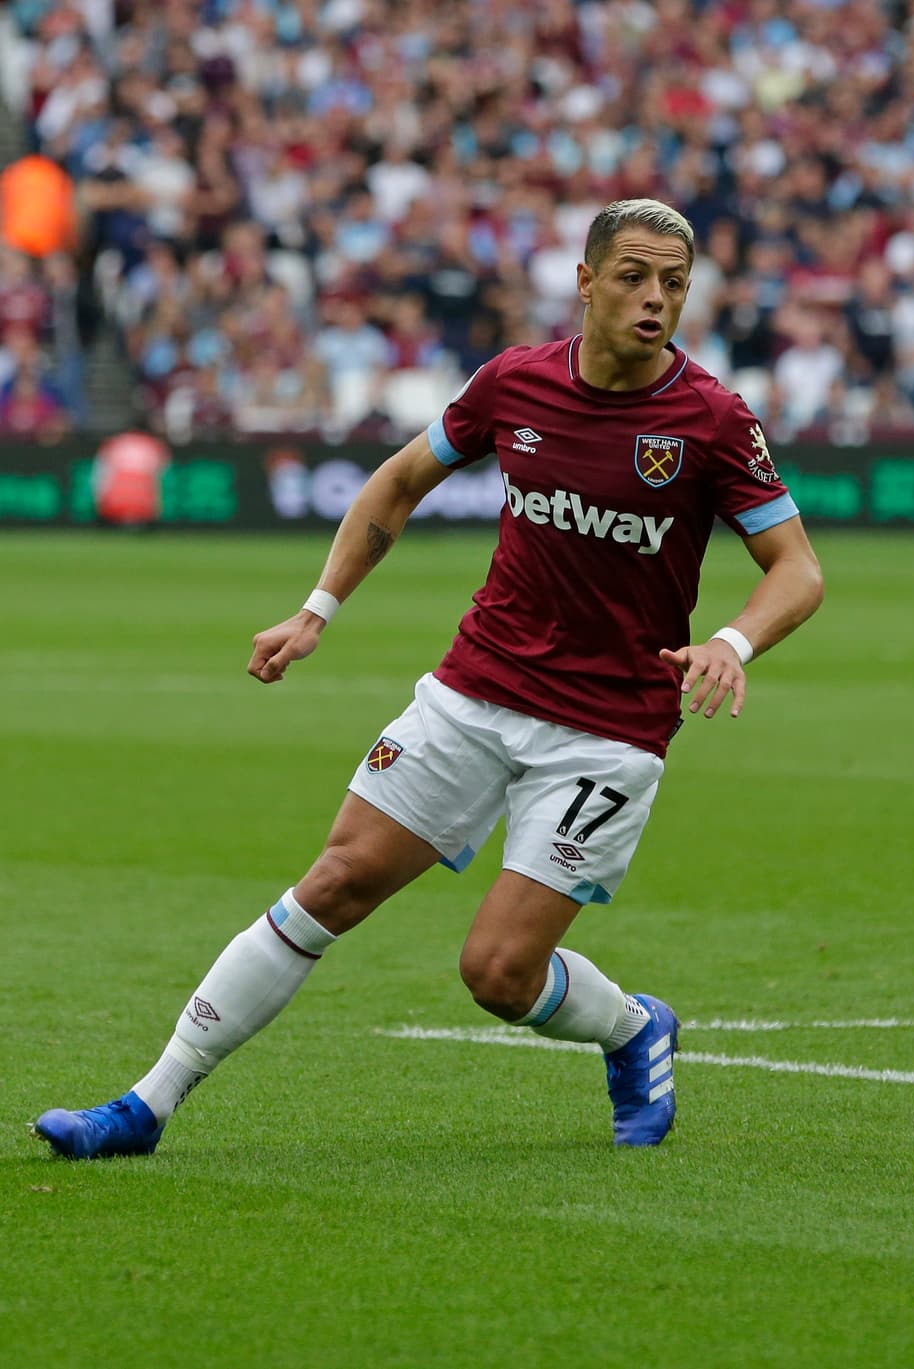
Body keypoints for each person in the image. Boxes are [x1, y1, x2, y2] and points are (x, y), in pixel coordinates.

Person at [32, 199, 824, 1158]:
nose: (654, 299)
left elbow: (797, 569)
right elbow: (399, 481)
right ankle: (144, 1106)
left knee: (497, 973)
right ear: (585, 282)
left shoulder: (710, 419)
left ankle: (632, 1027)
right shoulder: (515, 383)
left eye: (673, 283)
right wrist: (314, 610)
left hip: (607, 732)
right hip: (474, 690)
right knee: (333, 883)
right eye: (633, 277)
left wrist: (730, 644)